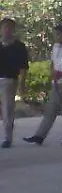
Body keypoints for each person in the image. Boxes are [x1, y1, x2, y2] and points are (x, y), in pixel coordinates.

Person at [24, 24, 62, 147]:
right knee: (51, 109)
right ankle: (39, 135)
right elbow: (53, 62)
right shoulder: (56, 47)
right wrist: (53, 73)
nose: (56, 37)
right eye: (55, 34)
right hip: (57, 82)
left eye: (58, 34)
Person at [0, 17, 29, 148]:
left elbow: (23, 67)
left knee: (7, 109)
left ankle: (7, 138)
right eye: (4, 27)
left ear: (13, 30)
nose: (7, 30)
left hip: (9, 80)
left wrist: (21, 84)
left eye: (9, 27)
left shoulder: (19, 47)